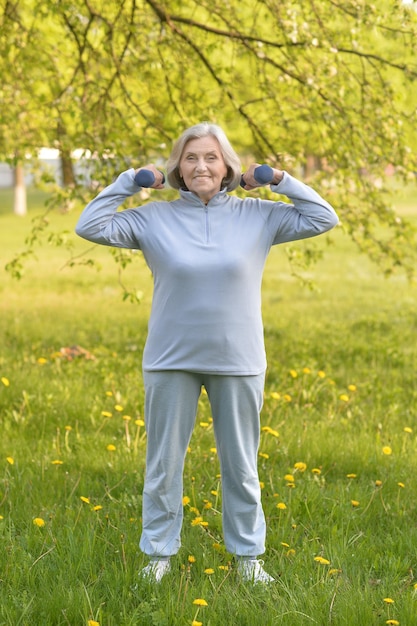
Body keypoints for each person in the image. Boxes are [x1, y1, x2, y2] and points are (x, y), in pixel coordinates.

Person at [75, 122, 339, 584]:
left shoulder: (259, 215)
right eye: (191, 157)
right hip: (169, 358)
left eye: (211, 158)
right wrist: (129, 181)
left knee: (240, 466)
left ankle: (248, 559)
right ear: (177, 167)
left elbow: (322, 217)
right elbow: (90, 225)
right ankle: (158, 555)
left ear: (227, 167)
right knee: (162, 466)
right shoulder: (151, 219)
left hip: (237, 359)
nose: (201, 166)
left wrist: (277, 179)